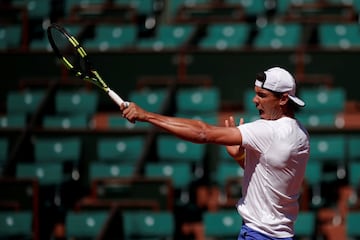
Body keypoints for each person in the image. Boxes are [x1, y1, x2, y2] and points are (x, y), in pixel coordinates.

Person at [120, 66, 310, 240]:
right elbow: (270, 172)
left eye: (262, 95)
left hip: (260, 235)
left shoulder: (268, 131)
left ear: (283, 99)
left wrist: (147, 116)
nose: (255, 100)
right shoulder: (301, 133)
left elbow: (203, 132)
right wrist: (241, 157)